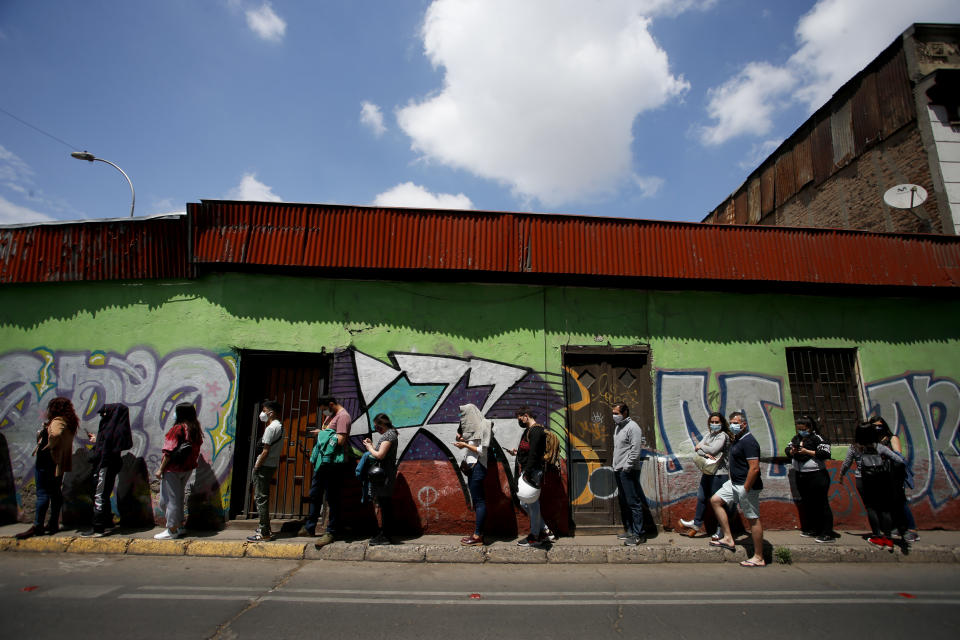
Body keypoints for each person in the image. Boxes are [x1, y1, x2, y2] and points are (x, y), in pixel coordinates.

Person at [16, 397, 79, 539]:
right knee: (55, 492)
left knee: (43, 493)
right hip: (57, 463)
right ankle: (53, 523)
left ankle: (38, 526)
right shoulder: (70, 422)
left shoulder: (58, 421)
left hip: (47, 462)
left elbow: (56, 433)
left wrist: (49, 442)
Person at [709, 411, 766, 567]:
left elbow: (754, 468)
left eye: (736, 422)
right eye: (732, 422)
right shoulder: (738, 439)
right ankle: (728, 537)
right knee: (715, 500)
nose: (733, 425)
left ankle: (759, 556)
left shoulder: (749, 442)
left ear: (744, 424)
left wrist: (745, 488)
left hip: (746, 486)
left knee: (752, 519)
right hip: (734, 483)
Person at [840, 422, 907, 549]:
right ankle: (888, 539)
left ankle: (877, 536)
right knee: (884, 509)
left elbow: (846, 464)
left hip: (863, 480)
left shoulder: (854, 448)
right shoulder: (879, 447)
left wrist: (841, 475)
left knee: (871, 508)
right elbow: (899, 460)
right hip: (881, 479)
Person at [304, 395, 351, 548]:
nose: (323, 412)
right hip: (323, 462)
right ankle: (309, 527)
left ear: (331, 404)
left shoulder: (343, 417)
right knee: (315, 493)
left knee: (332, 497)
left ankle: (331, 531)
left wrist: (321, 434)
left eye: (324, 409)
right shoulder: (332, 416)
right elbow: (329, 434)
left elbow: (341, 439)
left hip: (333, 464)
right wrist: (322, 432)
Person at [82, 403, 133, 537]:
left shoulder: (110, 429)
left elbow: (106, 447)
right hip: (113, 464)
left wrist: (98, 443)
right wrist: (97, 440)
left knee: (99, 495)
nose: (103, 416)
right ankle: (106, 520)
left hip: (105, 465)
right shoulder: (120, 428)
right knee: (104, 492)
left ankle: (98, 527)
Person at [154, 403, 204, 540]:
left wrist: (160, 469)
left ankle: (172, 529)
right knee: (179, 498)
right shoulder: (194, 429)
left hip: (173, 469)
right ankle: (180, 526)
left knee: (168, 501)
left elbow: (168, 451)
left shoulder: (177, 429)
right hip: (186, 468)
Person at [678, 412, 730, 539]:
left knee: (718, 503)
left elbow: (713, 450)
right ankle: (696, 523)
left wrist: (702, 447)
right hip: (708, 471)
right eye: (712, 422)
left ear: (722, 423)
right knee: (701, 497)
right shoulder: (709, 435)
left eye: (717, 422)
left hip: (719, 474)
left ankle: (721, 529)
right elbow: (699, 450)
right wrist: (705, 452)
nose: (714, 424)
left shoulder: (723, 436)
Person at [784, 415, 834, 543]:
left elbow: (825, 454)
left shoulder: (819, 438)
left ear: (810, 427)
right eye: (799, 428)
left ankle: (827, 532)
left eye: (803, 428)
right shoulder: (797, 438)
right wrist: (792, 451)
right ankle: (813, 529)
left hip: (816, 475)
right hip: (801, 475)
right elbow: (787, 449)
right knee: (808, 503)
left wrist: (807, 451)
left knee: (821, 503)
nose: (801, 431)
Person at [874, 416, 919, 542]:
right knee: (890, 503)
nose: (877, 429)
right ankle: (898, 527)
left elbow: (899, 456)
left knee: (901, 502)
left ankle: (911, 529)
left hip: (895, 474)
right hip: (883, 474)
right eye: (874, 426)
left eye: (879, 426)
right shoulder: (876, 441)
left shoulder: (891, 438)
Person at [455, 404, 493, 546]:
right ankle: (478, 534)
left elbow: (482, 450)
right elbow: (474, 444)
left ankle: (478, 536)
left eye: (464, 415)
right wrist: (463, 441)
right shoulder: (473, 428)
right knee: (478, 501)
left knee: (479, 502)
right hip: (472, 467)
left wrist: (464, 445)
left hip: (478, 467)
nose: (462, 418)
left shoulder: (484, 425)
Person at [247, 399, 283, 542]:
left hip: (264, 466)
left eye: (264, 410)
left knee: (260, 498)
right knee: (263, 496)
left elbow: (265, 451)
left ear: (271, 412)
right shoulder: (280, 426)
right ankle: (265, 528)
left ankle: (263, 531)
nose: (262, 413)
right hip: (272, 465)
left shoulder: (270, 428)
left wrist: (256, 467)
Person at [612, 402, 647, 546]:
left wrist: (627, 467)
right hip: (618, 469)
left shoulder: (633, 428)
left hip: (628, 470)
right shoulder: (618, 427)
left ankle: (639, 534)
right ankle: (631, 530)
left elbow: (635, 450)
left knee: (633, 502)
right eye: (613, 413)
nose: (614, 416)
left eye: (616, 413)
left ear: (625, 413)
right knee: (625, 501)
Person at [362, 413, 399, 545]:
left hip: (384, 477)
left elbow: (380, 455)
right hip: (383, 476)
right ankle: (384, 534)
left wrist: (369, 447)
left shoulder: (389, 435)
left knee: (385, 505)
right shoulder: (389, 435)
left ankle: (386, 536)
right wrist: (372, 445)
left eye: (377, 425)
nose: (376, 428)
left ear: (383, 424)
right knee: (384, 505)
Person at [514, 406, 547, 547]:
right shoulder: (528, 431)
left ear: (526, 415)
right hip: (528, 470)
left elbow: (534, 454)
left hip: (533, 472)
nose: (519, 421)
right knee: (525, 502)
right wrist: (517, 453)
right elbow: (527, 451)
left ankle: (535, 536)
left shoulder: (537, 431)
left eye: (520, 418)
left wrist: (526, 473)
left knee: (532, 504)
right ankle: (543, 530)